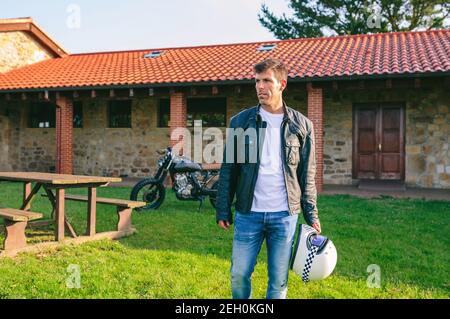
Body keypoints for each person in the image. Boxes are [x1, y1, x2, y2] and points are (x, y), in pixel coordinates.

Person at [215, 58, 321, 299]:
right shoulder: (240, 122)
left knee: (279, 281)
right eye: (257, 81)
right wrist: (223, 208)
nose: (260, 87)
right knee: (239, 274)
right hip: (247, 213)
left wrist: (311, 214)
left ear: (282, 84)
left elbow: (307, 175)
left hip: (284, 216)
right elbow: (228, 169)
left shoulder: (302, 125)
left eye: (266, 81)